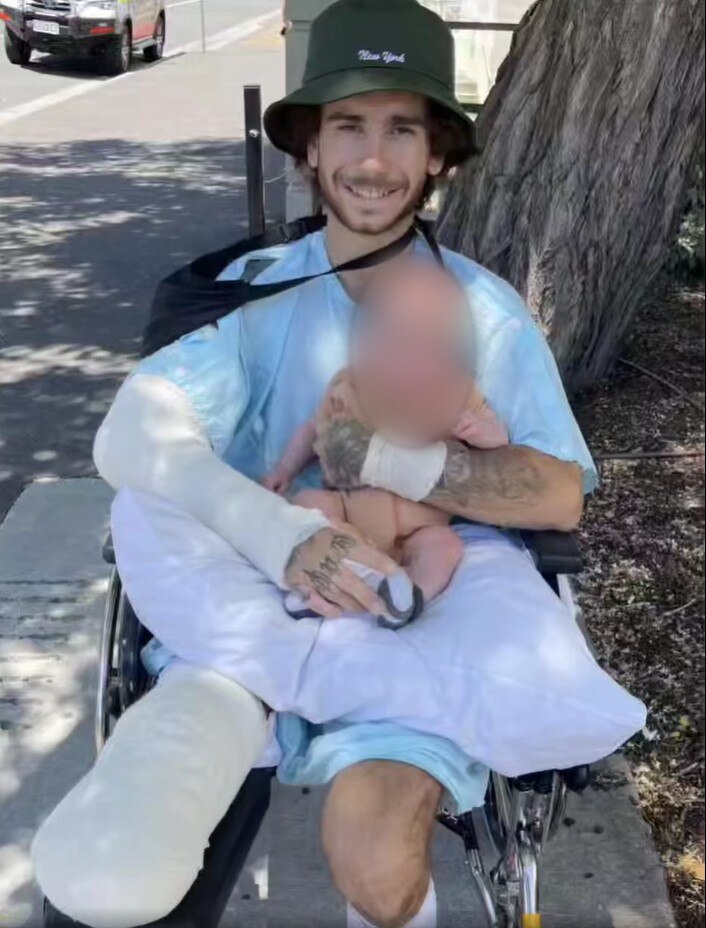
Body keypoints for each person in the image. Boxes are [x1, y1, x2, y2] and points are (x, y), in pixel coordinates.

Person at [31, 3, 647, 928]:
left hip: (410, 622)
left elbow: (559, 495)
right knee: (150, 505)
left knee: (373, 859)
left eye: (402, 127)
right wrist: (277, 535)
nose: (372, 156)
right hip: (256, 605)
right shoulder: (249, 294)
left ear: (438, 155)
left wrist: (389, 464)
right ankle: (184, 746)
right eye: (348, 124)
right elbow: (131, 435)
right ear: (310, 149)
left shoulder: (485, 313)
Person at [267, 257, 510, 614]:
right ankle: (320, 587)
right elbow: (312, 429)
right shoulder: (348, 384)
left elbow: (499, 439)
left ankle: (411, 596)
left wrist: (487, 433)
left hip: (419, 524)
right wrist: (285, 470)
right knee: (308, 504)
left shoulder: (458, 392)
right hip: (349, 510)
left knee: (446, 548)